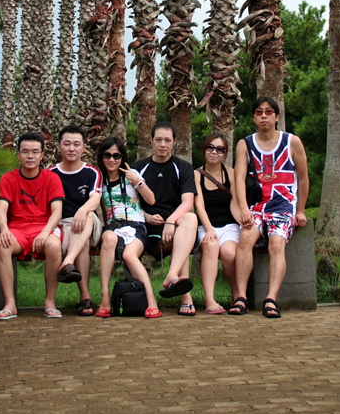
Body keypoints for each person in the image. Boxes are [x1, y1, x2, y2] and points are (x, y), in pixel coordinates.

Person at [230, 96, 309, 319]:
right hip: (256, 207)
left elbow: (303, 178)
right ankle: (241, 297)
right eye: (258, 112)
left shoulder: (292, 142)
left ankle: (271, 298)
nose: (263, 116)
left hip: (283, 205)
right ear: (254, 118)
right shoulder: (245, 144)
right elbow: (239, 178)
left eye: (268, 112)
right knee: (245, 239)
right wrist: (244, 208)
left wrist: (300, 210)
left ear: (276, 116)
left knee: (276, 243)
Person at [0, 131, 70, 320]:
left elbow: (57, 212)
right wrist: (4, 230)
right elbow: (1, 209)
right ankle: (10, 304)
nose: (30, 156)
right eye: (25, 151)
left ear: (42, 155)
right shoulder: (8, 179)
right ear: (18, 154)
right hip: (17, 229)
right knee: (2, 245)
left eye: (35, 152)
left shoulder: (51, 178)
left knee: (53, 245)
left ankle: (50, 302)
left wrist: (45, 233)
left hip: (44, 227)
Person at [132, 122, 198, 316]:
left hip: (173, 228)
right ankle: (185, 297)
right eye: (158, 139)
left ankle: (172, 275)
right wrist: (147, 217)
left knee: (190, 219)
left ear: (174, 142)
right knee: (183, 239)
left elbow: (188, 203)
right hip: (147, 229)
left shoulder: (183, 167)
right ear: (151, 140)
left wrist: (170, 221)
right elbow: (130, 204)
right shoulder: (138, 169)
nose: (163, 144)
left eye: (167, 140)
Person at [95, 136, 161, 319]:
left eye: (116, 156)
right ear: (101, 157)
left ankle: (151, 301)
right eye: (107, 155)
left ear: (122, 157)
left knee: (129, 256)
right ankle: (105, 298)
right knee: (108, 238)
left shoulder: (132, 175)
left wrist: (137, 181)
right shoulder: (99, 180)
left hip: (136, 227)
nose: (111, 159)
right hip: (113, 227)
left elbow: (151, 200)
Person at [49, 125, 103, 317]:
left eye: (76, 144)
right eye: (67, 144)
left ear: (84, 148)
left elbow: (95, 199)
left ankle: (68, 261)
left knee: (88, 216)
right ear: (59, 147)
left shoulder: (92, 172)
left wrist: (82, 209)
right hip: (62, 226)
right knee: (83, 242)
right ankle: (85, 298)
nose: (71, 148)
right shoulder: (50, 173)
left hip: (89, 222)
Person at [194, 133, 241, 315]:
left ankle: (237, 294)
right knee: (211, 246)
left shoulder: (232, 173)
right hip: (206, 225)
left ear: (225, 153)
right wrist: (209, 230)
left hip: (229, 225)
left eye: (220, 149)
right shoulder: (196, 175)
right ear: (204, 149)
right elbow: (199, 206)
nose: (214, 152)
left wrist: (244, 222)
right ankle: (210, 299)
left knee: (229, 253)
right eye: (210, 147)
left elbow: (236, 202)